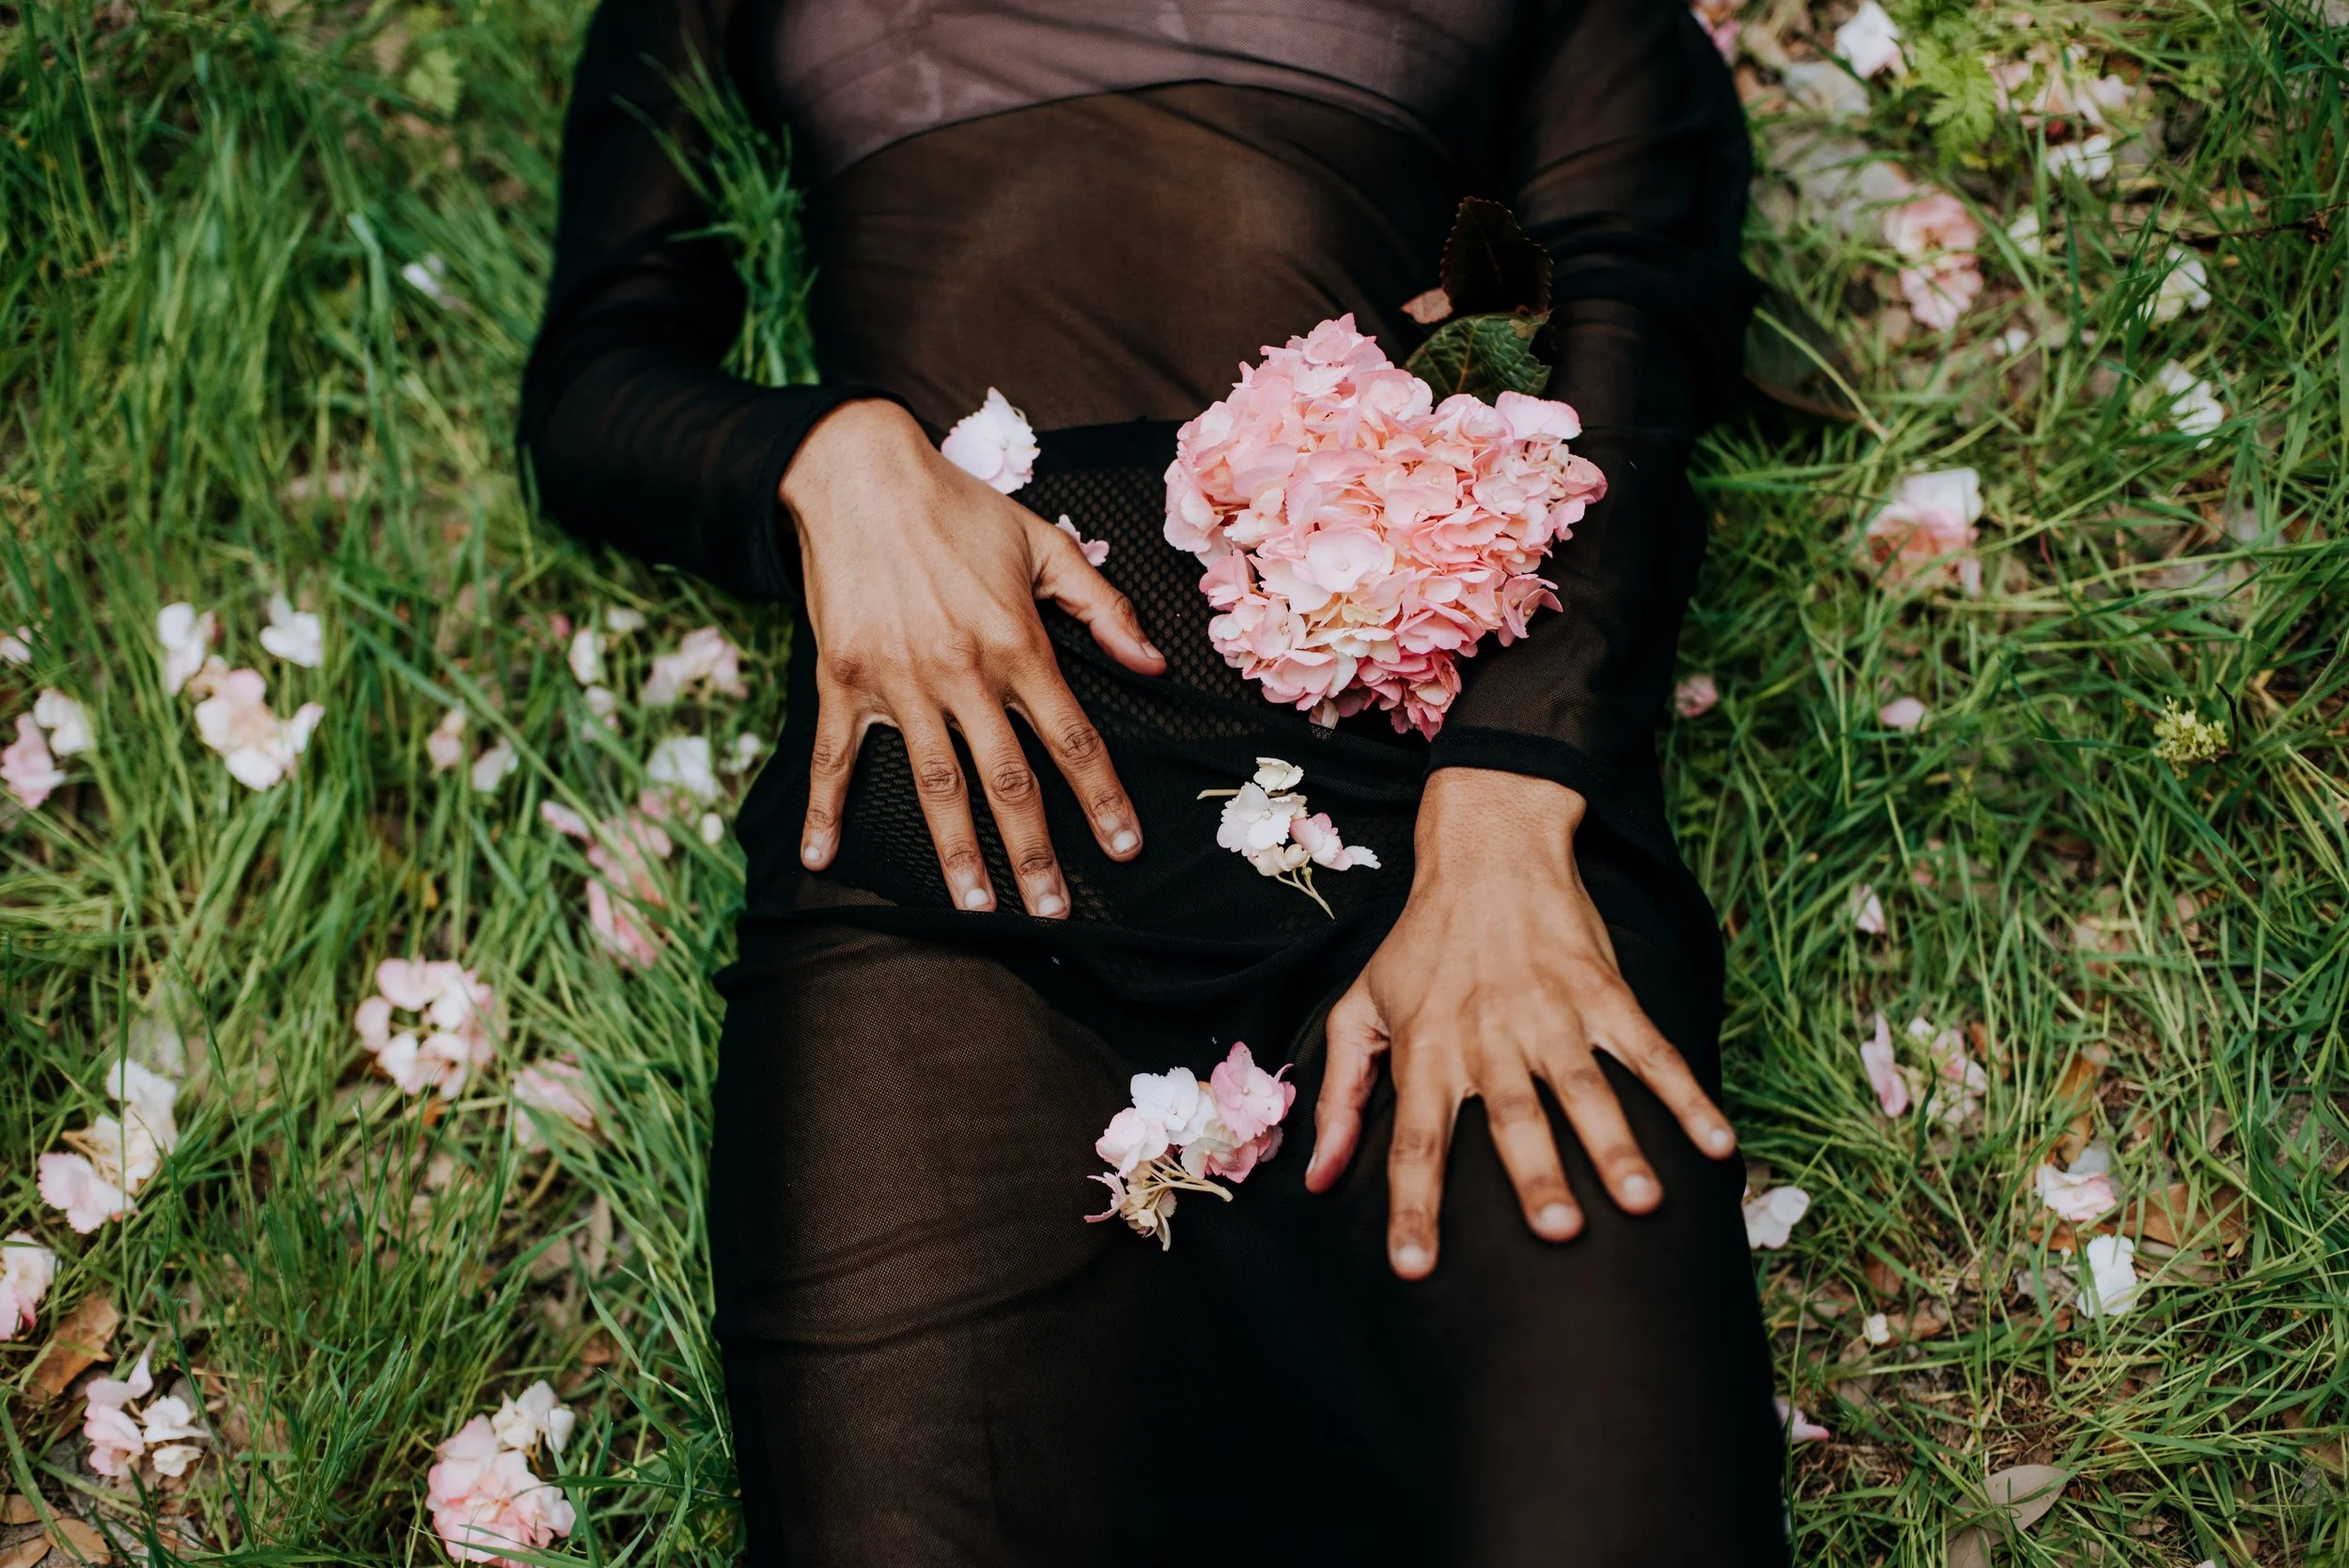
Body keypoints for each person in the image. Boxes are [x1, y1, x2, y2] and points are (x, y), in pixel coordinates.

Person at [521, 1, 1788, 1560]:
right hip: (964, 826)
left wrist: (1515, 806)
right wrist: (830, 461)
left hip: (1440, 791)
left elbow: (1624, 332)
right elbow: (594, 384)